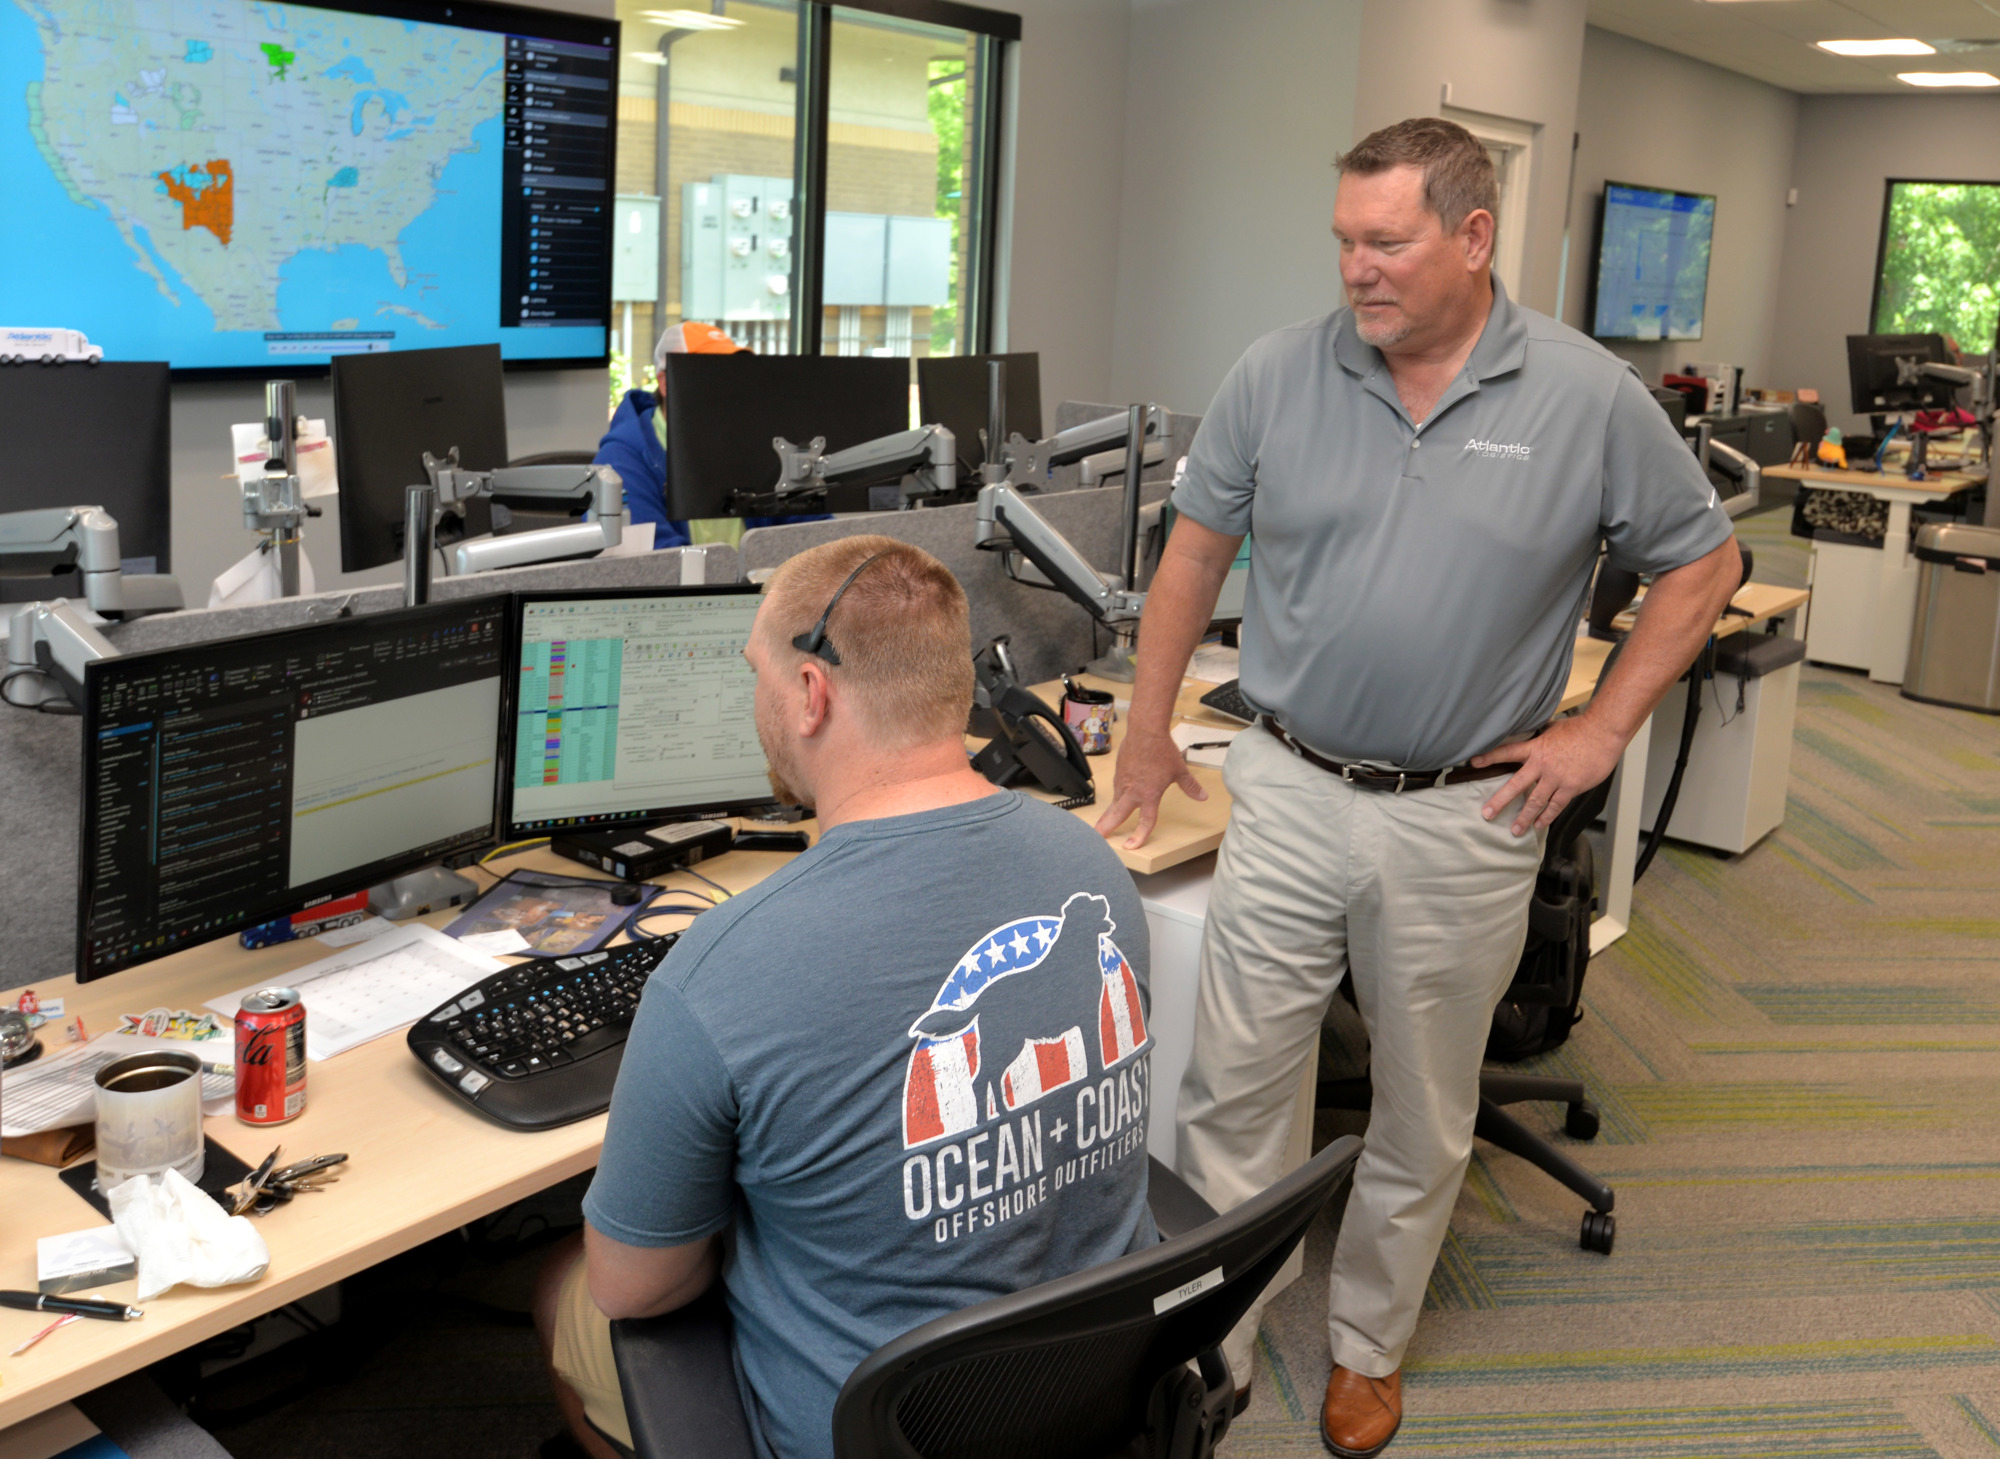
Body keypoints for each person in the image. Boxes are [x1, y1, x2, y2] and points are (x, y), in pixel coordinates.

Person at [1095, 117, 1742, 1458]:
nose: (1357, 269)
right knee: (1235, 1084)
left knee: (1424, 1098)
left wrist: (1600, 732)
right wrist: (1148, 727)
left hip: (1466, 809)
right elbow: (1193, 557)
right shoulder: (1279, 372)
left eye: (1385, 240)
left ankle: (1368, 1344)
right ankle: (1211, 1341)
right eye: (1343, 240)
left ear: (1472, 236)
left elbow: (1702, 566)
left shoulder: (1583, 395)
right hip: (1284, 779)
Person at [535, 535, 1159, 1459]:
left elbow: (635, 1288)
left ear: (811, 694)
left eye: (758, 673)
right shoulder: (1094, 870)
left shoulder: (719, 972)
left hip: (873, 1434)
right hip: (1093, 1389)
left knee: (561, 1284)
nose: (756, 701)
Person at [594, 321, 828, 549]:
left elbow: (810, 530)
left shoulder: (752, 446)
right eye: (707, 372)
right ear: (665, 384)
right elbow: (650, 559)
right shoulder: (620, 459)